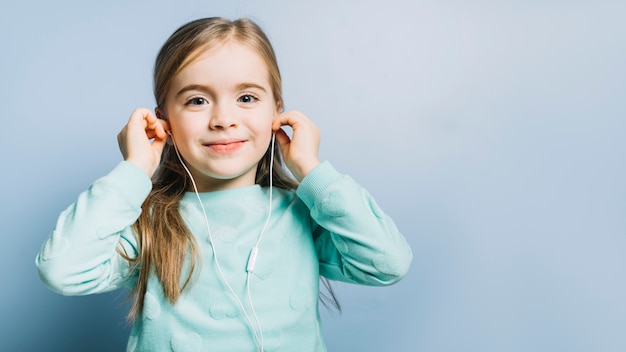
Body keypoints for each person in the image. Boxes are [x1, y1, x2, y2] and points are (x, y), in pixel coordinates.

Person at [36, 17, 412, 352]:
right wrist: (135, 169)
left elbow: (388, 263)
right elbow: (61, 270)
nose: (223, 119)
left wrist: (311, 169)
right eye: (197, 100)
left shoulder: (304, 214)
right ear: (164, 120)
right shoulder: (148, 220)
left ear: (276, 111)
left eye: (247, 97)